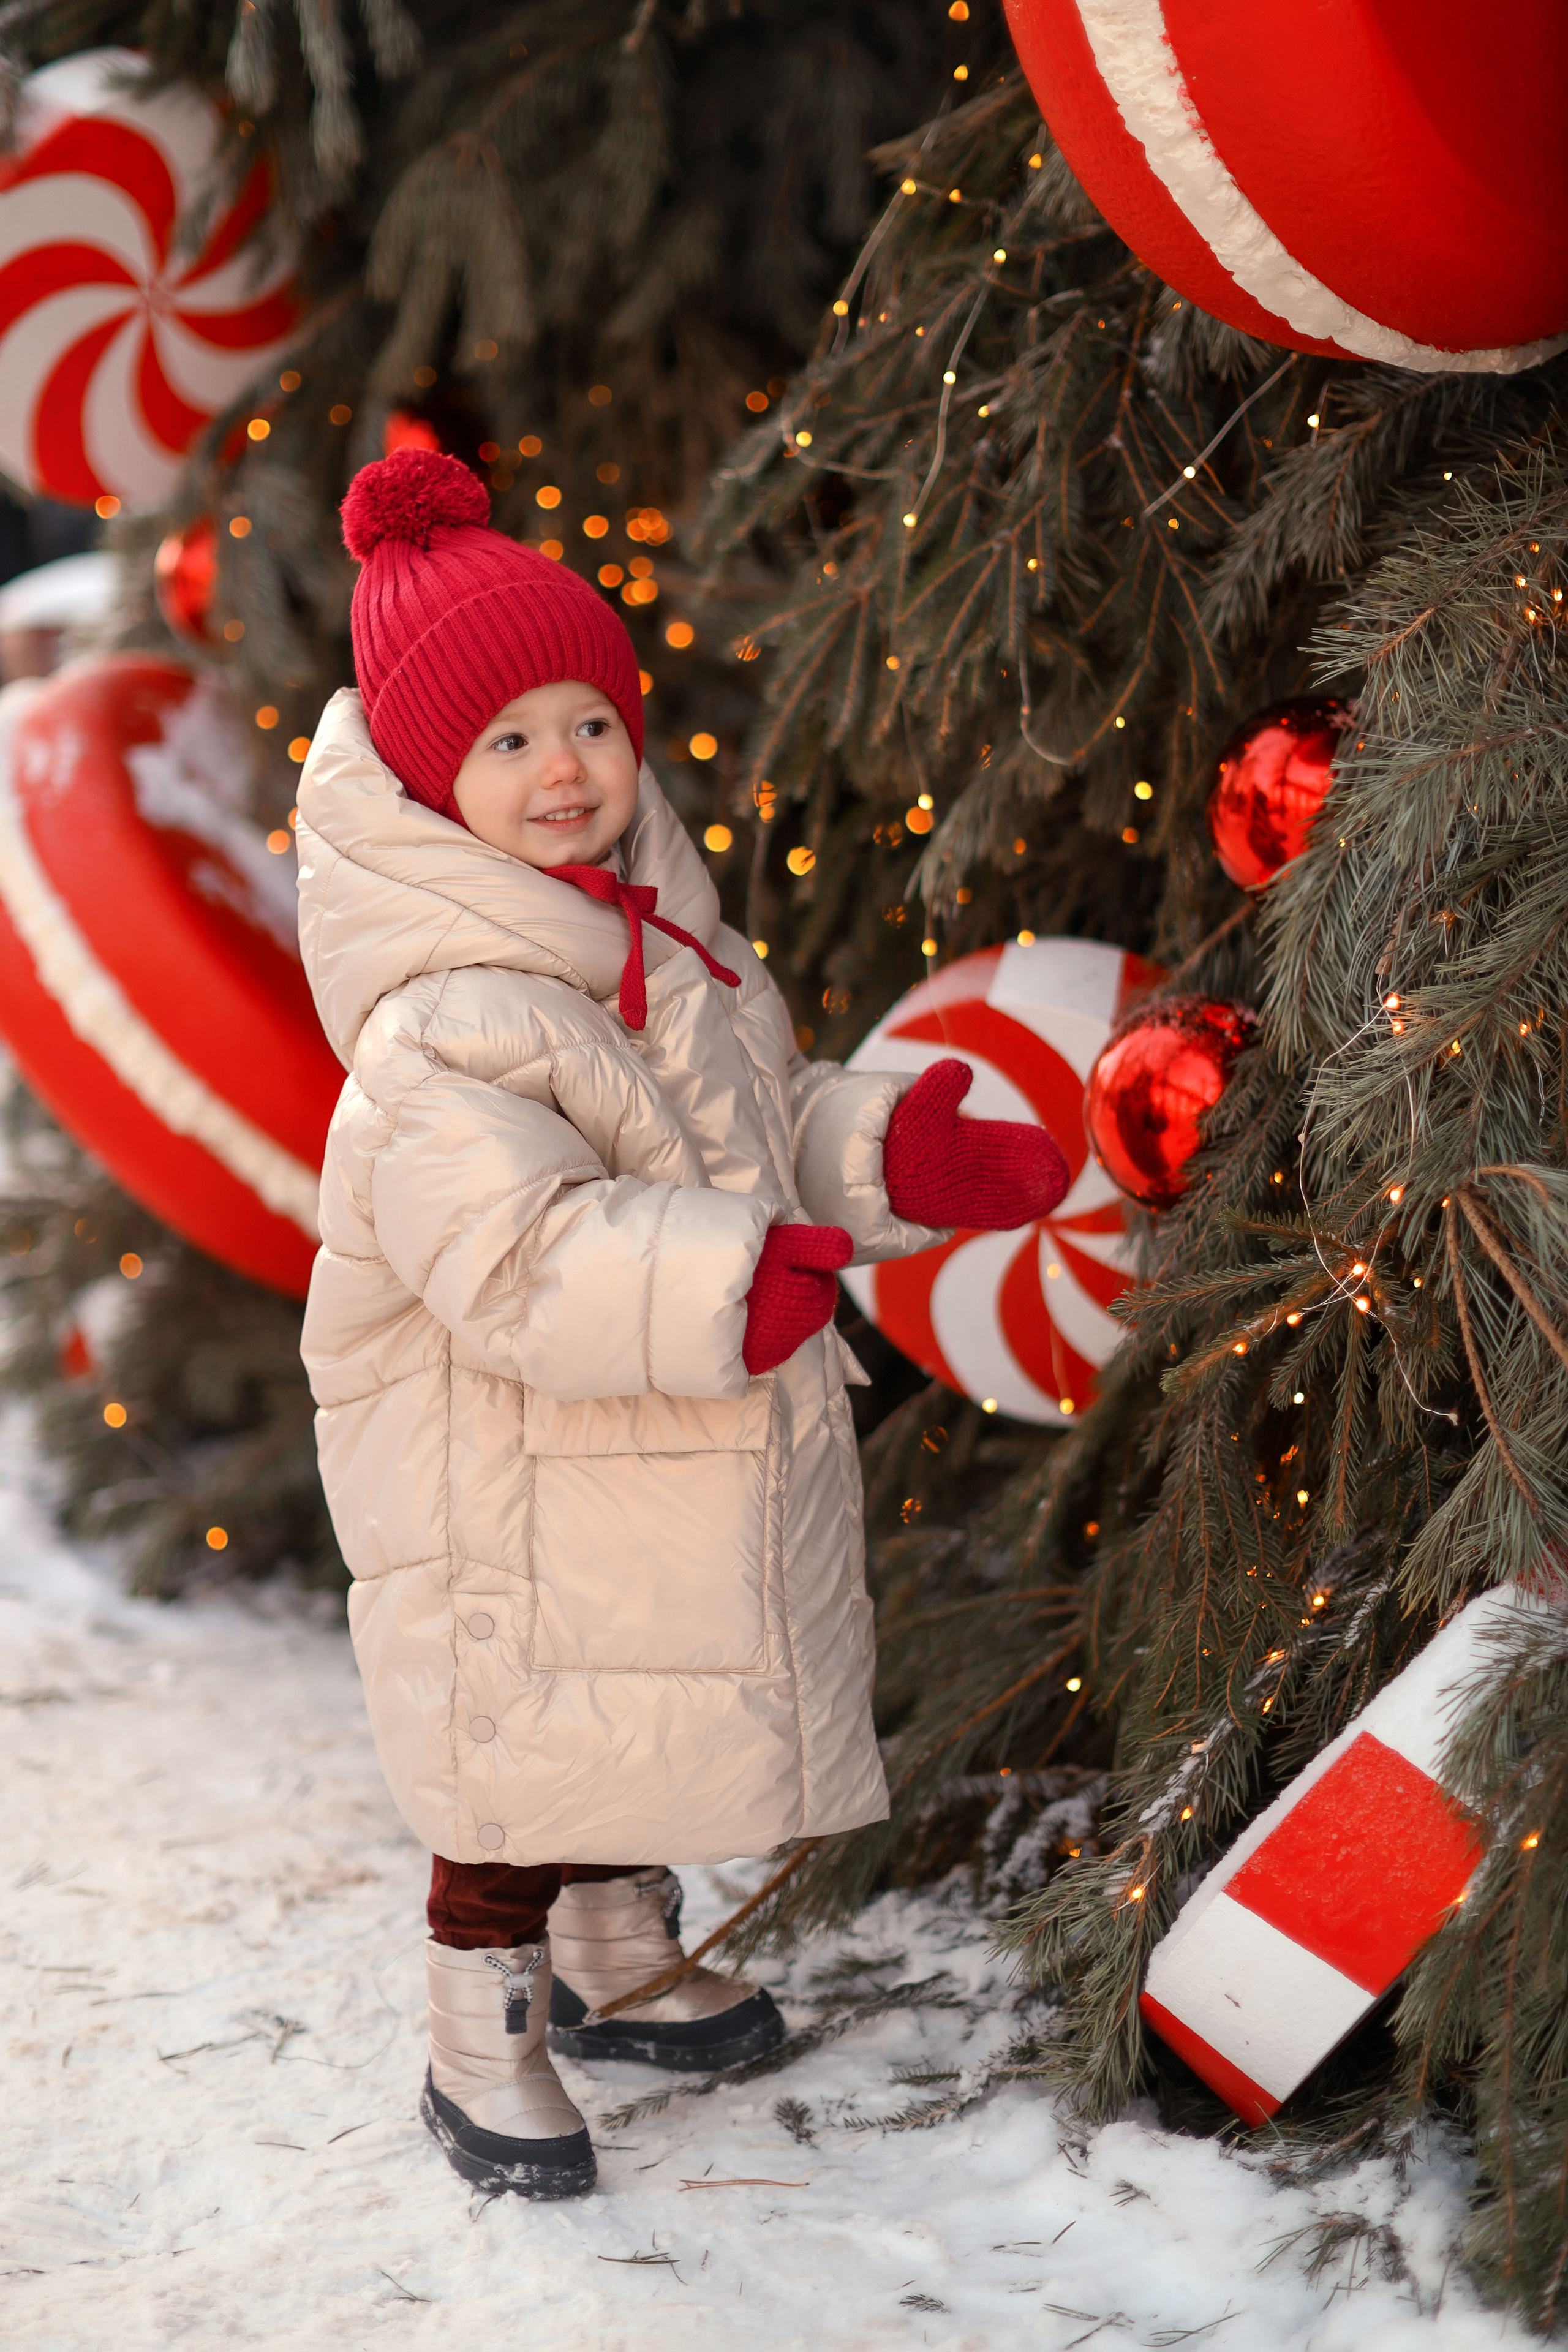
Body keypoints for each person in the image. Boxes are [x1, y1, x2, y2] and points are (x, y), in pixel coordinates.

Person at [294, 448, 1068, 2199]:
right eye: (506, 743)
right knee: (520, 1753)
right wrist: (730, 1281)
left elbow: (753, 1125)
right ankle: (477, 2020)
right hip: (493, 1457)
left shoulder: (669, 946)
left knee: (627, 1699)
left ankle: (619, 1953)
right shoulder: (440, 1027)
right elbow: (514, 1252)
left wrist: (888, 1153)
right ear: (432, 779)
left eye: (589, 724)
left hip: (628, 1426)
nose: (563, 771)